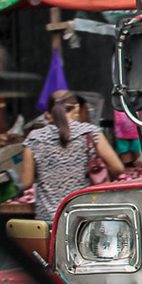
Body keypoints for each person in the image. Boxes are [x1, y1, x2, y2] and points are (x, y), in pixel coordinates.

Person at [20, 90, 125, 223]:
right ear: (77, 107)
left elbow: (26, 182)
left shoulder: (34, 138)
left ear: (48, 114)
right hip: (82, 217)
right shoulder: (90, 133)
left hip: (48, 219)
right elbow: (118, 168)